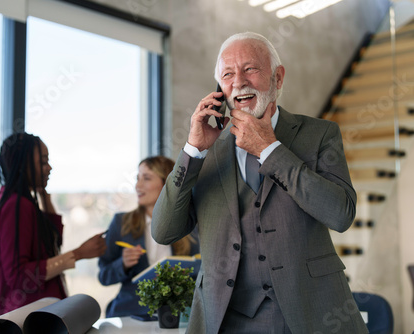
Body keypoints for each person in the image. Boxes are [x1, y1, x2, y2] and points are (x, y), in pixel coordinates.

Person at [151, 32, 368, 333]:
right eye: (228, 74)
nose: (238, 81)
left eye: (250, 69)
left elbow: (341, 215)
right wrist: (193, 150)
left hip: (312, 315)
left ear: (278, 78)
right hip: (226, 319)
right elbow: (163, 231)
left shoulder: (320, 134)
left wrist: (270, 149)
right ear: (219, 89)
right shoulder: (205, 151)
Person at [0, 132, 107, 315]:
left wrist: (44, 196)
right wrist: (79, 253)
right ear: (23, 165)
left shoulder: (21, 202)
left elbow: (52, 242)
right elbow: (19, 277)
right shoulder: (17, 206)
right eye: (43, 162)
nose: (49, 168)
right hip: (30, 318)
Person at [98, 156, 200, 318]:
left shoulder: (191, 226)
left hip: (175, 317)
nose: (138, 186)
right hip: (129, 313)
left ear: (168, 184)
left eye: (146, 178)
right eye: (137, 179)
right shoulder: (121, 223)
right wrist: (122, 264)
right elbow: (103, 276)